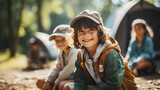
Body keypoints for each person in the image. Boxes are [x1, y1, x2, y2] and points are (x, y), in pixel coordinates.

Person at [70, 10, 137, 90]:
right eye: (81, 31)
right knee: (67, 86)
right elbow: (79, 78)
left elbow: (113, 84)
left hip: (119, 88)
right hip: (98, 86)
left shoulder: (110, 54)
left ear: (99, 32)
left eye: (91, 29)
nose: (86, 35)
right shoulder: (81, 55)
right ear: (76, 35)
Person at [36, 25, 79, 90]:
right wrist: (48, 81)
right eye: (57, 40)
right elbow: (57, 68)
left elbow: (67, 71)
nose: (60, 42)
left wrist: (56, 83)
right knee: (40, 82)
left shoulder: (75, 51)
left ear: (70, 38)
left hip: (75, 79)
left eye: (63, 39)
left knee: (62, 85)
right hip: (64, 78)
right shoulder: (61, 52)